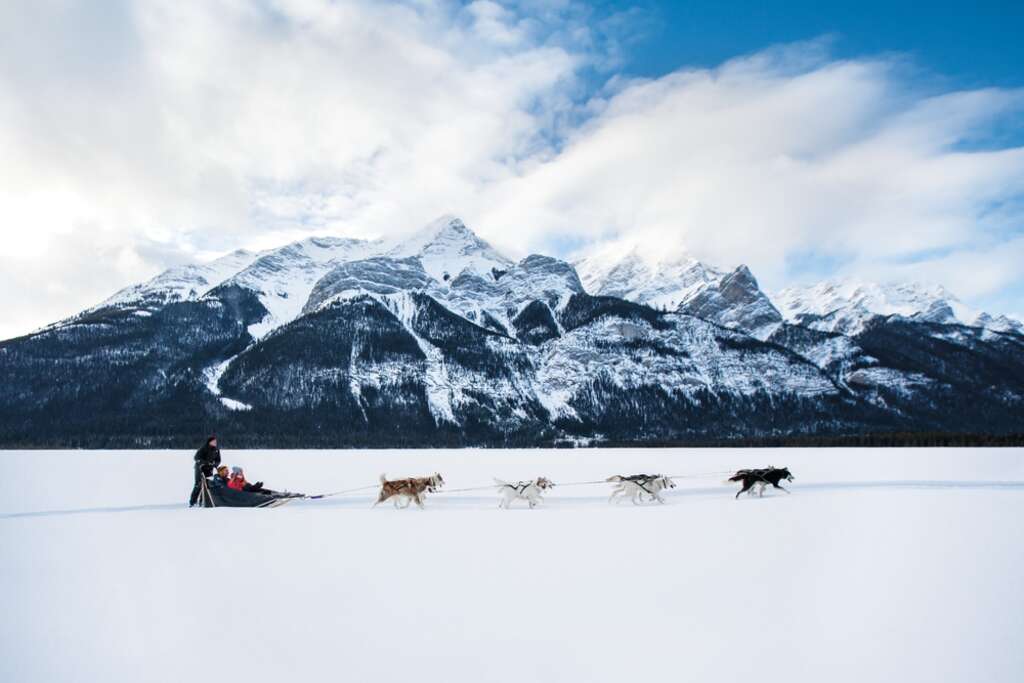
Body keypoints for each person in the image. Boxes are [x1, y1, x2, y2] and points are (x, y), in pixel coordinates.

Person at [189, 435, 222, 507]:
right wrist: (205, 462)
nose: (215, 443)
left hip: (209, 469)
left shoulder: (216, 450)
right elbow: (196, 458)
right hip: (200, 468)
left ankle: (203, 500)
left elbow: (218, 460)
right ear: (210, 442)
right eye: (214, 441)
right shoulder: (203, 448)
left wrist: (214, 464)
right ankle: (193, 501)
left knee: (208, 484)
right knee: (198, 484)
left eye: (216, 441)